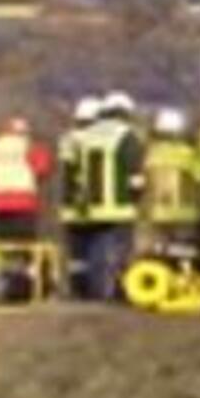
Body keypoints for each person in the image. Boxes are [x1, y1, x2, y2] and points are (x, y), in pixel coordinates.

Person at [81, 92, 145, 302]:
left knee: (96, 247)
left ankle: (96, 289)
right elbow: (134, 170)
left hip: (91, 202)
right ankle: (115, 290)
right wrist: (138, 195)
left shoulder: (88, 134)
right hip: (119, 202)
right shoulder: (126, 135)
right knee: (118, 249)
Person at [139, 108, 200, 266]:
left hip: (155, 213)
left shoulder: (150, 154)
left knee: (157, 253)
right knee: (185, 252)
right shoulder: (189, 154)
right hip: (185, 213)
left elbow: (142, 182)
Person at [0, 116, 53, 240]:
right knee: (24, 248)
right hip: (25, 205)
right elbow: (43, 169)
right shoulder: (31, 148)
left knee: (2, 248)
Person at [58, 97, 101, 298]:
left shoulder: (69, 139)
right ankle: (96, 288)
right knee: (96, 247)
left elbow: (67, 171)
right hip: (94, 202)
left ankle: (78, 289)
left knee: (78, 253)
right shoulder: (100, 140)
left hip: (72, 204)